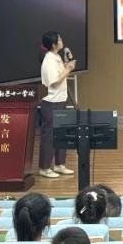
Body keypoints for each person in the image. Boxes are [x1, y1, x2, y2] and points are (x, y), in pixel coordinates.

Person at [39, 31, 76, 178]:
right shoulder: (49, 61)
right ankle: (44, 168)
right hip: (51, 102)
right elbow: (54, 82)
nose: (62, 41)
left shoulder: (57, 57)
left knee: (62, 133)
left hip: (61, 99)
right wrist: (68, 69)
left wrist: (66, 65)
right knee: (49, 136)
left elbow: (61, 75)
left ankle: (59, 164)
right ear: (54, 44)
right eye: (59, 40)